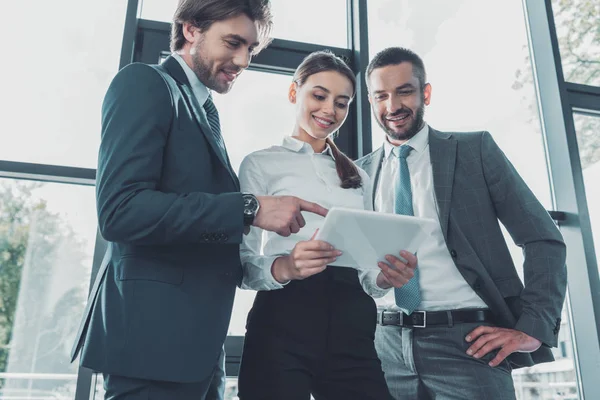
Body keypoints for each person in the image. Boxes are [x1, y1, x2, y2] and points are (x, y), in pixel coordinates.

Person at [69, 1, 330, 399]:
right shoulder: (145, 83)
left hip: (197, 351)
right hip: (151, 348)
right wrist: (251, 207)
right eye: (233, 42)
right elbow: (121, 212)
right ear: (191, 29)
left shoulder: (202, 108)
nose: (243, 59)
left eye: (251, 48)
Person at [356, 47, 567, 400]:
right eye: (381, 96)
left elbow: (542, 237)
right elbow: (358, 268)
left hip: (468, 345)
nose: (392, 106)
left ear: (426, 92)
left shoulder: (474, 151)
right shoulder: (358, 173)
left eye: (404, 91)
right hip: (383, 348)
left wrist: (533, 327)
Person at [236, 51, 394, 400]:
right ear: (295, 93)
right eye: (319, 96)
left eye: (341, 103)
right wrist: (287, 266)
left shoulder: (360, 177)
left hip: (352, 322)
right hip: (284, 316)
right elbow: (242, 266)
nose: (329, 111)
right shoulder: (260, 164)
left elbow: (367, 274)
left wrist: (385, 277)